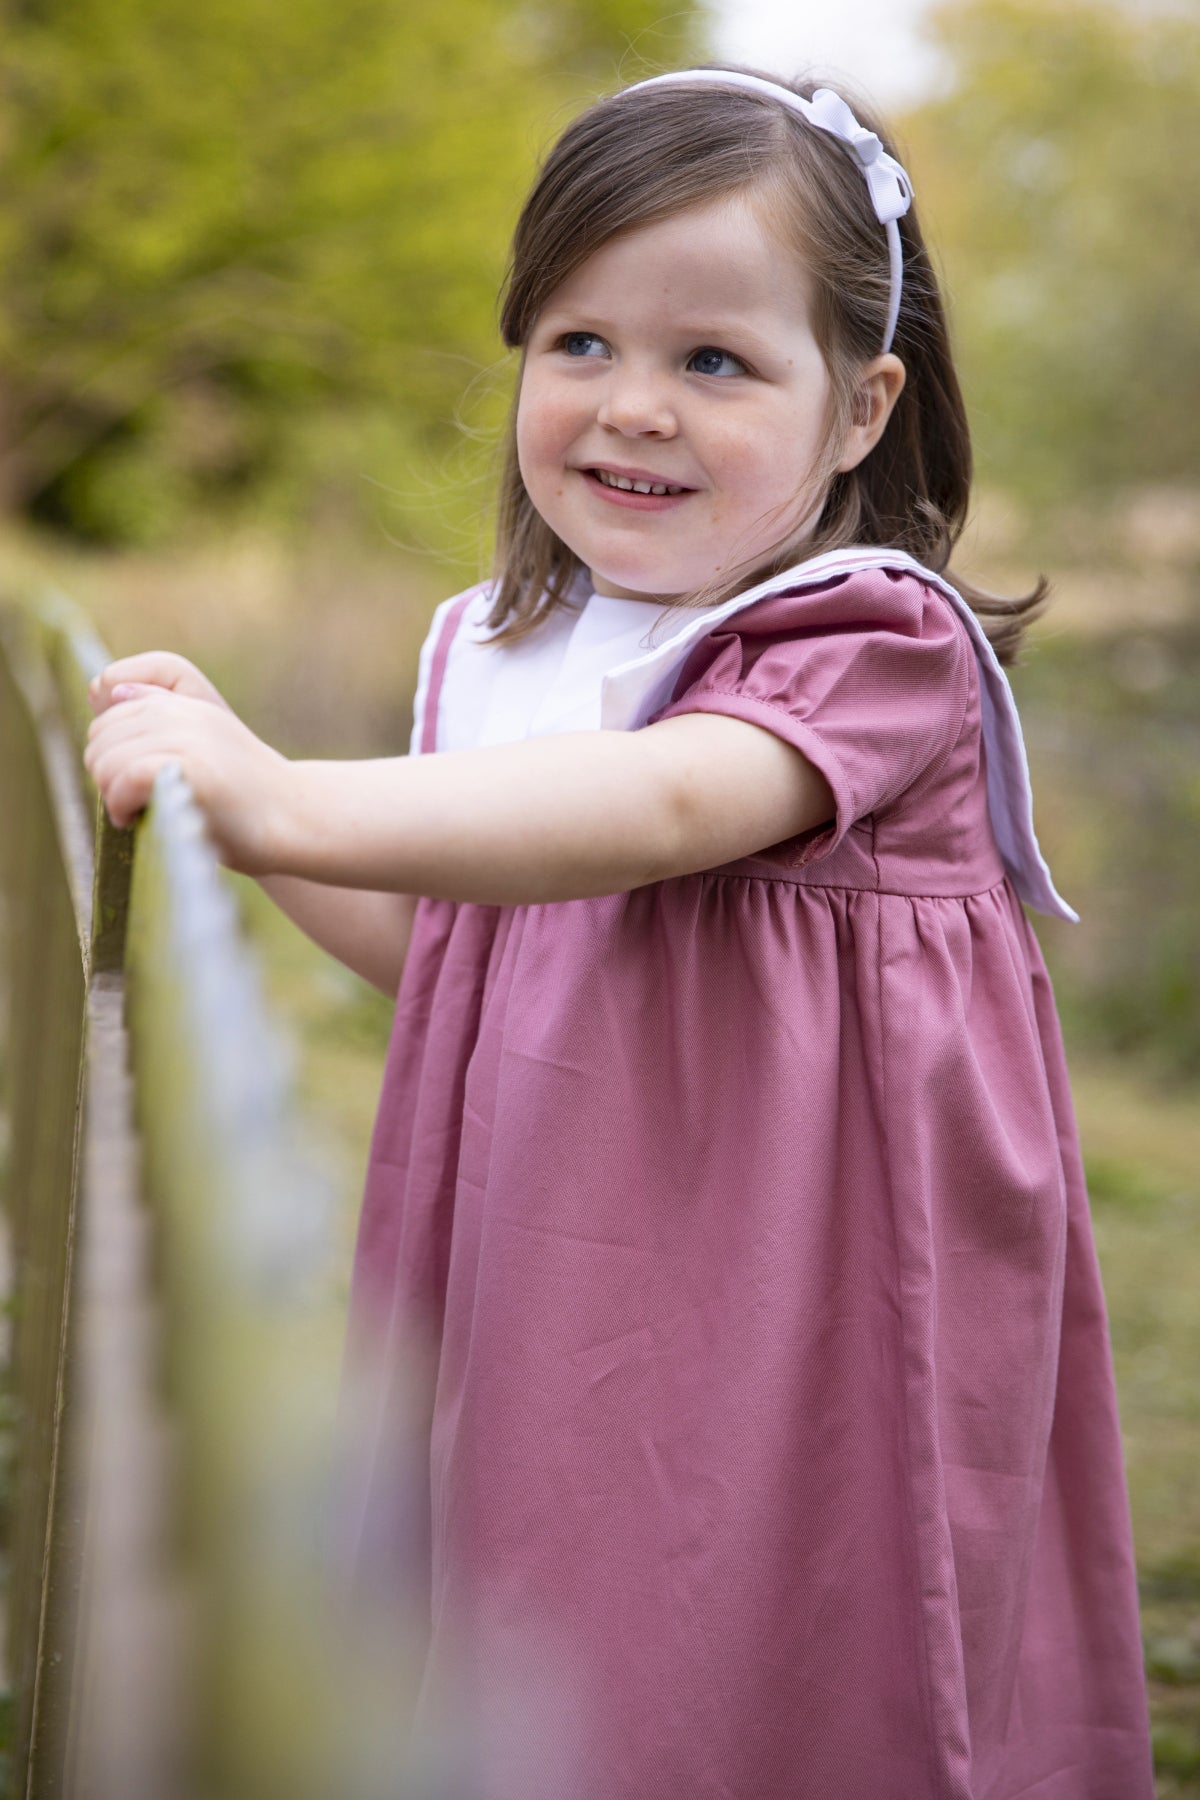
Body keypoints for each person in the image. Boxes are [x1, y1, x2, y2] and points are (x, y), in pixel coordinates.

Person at [84, 65, 1153, 1800]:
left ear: (861, 408)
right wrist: (235, 800)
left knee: (772, 1622)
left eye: (714, 361)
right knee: (547, 1613)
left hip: (802, 1289)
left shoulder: (867, 644)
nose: (632, 405)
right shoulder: (509, 647)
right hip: (556, 1266)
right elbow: (459, 960)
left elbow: (666, 805)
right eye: (579, 341)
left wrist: (284, 793)